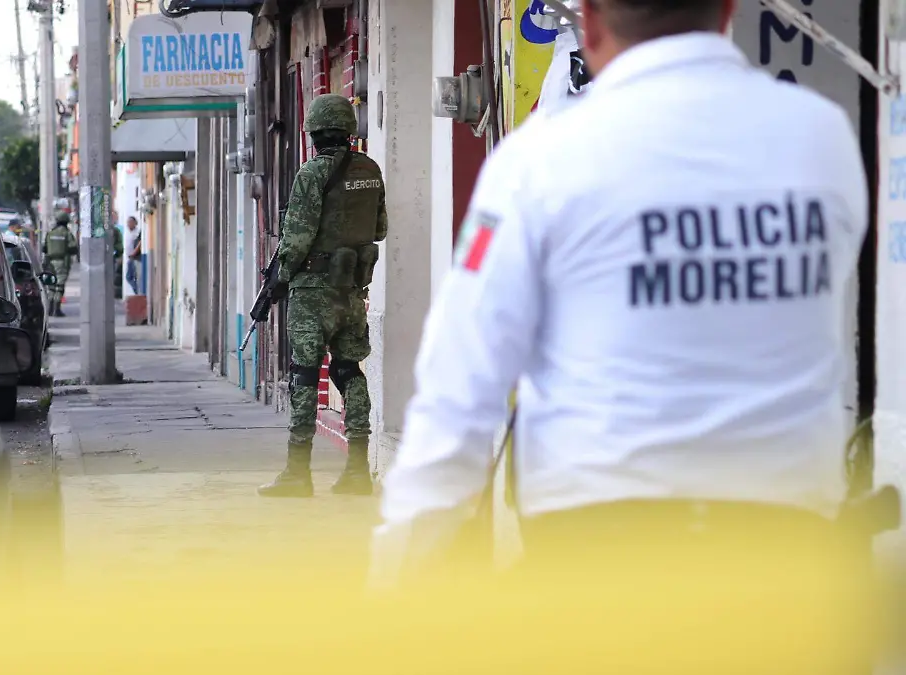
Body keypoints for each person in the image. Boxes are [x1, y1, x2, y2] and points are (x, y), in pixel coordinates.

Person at [370, 0, 880, 669]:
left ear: (591, 20)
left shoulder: (542, 161)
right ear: (727, 9)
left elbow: (460, 396)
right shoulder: (823, 138)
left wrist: (396, 583)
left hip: (602, 575)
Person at [258, 93, 388, 498]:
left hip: (313, 293)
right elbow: (379, 228)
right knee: (349, 372)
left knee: (304, 375)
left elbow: (296, 239)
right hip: (350, 292)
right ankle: (358, 471)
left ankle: (298, 474)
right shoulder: (371, 169)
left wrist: (279, 278)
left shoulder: (311, 174)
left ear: (314, 133)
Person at [42, 211, 78, 317]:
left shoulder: (50, 233)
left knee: (51, 287)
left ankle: (49, 309)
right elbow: (73, 247)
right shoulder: (67, 233)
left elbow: (44, 248)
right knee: (60, 287)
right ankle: (56, 310)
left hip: (50, 262)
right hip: (62, 262)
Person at [123, 216, 142, 295]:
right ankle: (137, 291)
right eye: (128, 222)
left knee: (131, 276)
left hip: (135, 257)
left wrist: (134, 252)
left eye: (130, 222)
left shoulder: (137, 232)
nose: (129, 224)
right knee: (129, 277)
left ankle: (138, 291)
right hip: (129, 257)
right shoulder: (127, 232)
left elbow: (140, 242)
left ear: (135, 223)